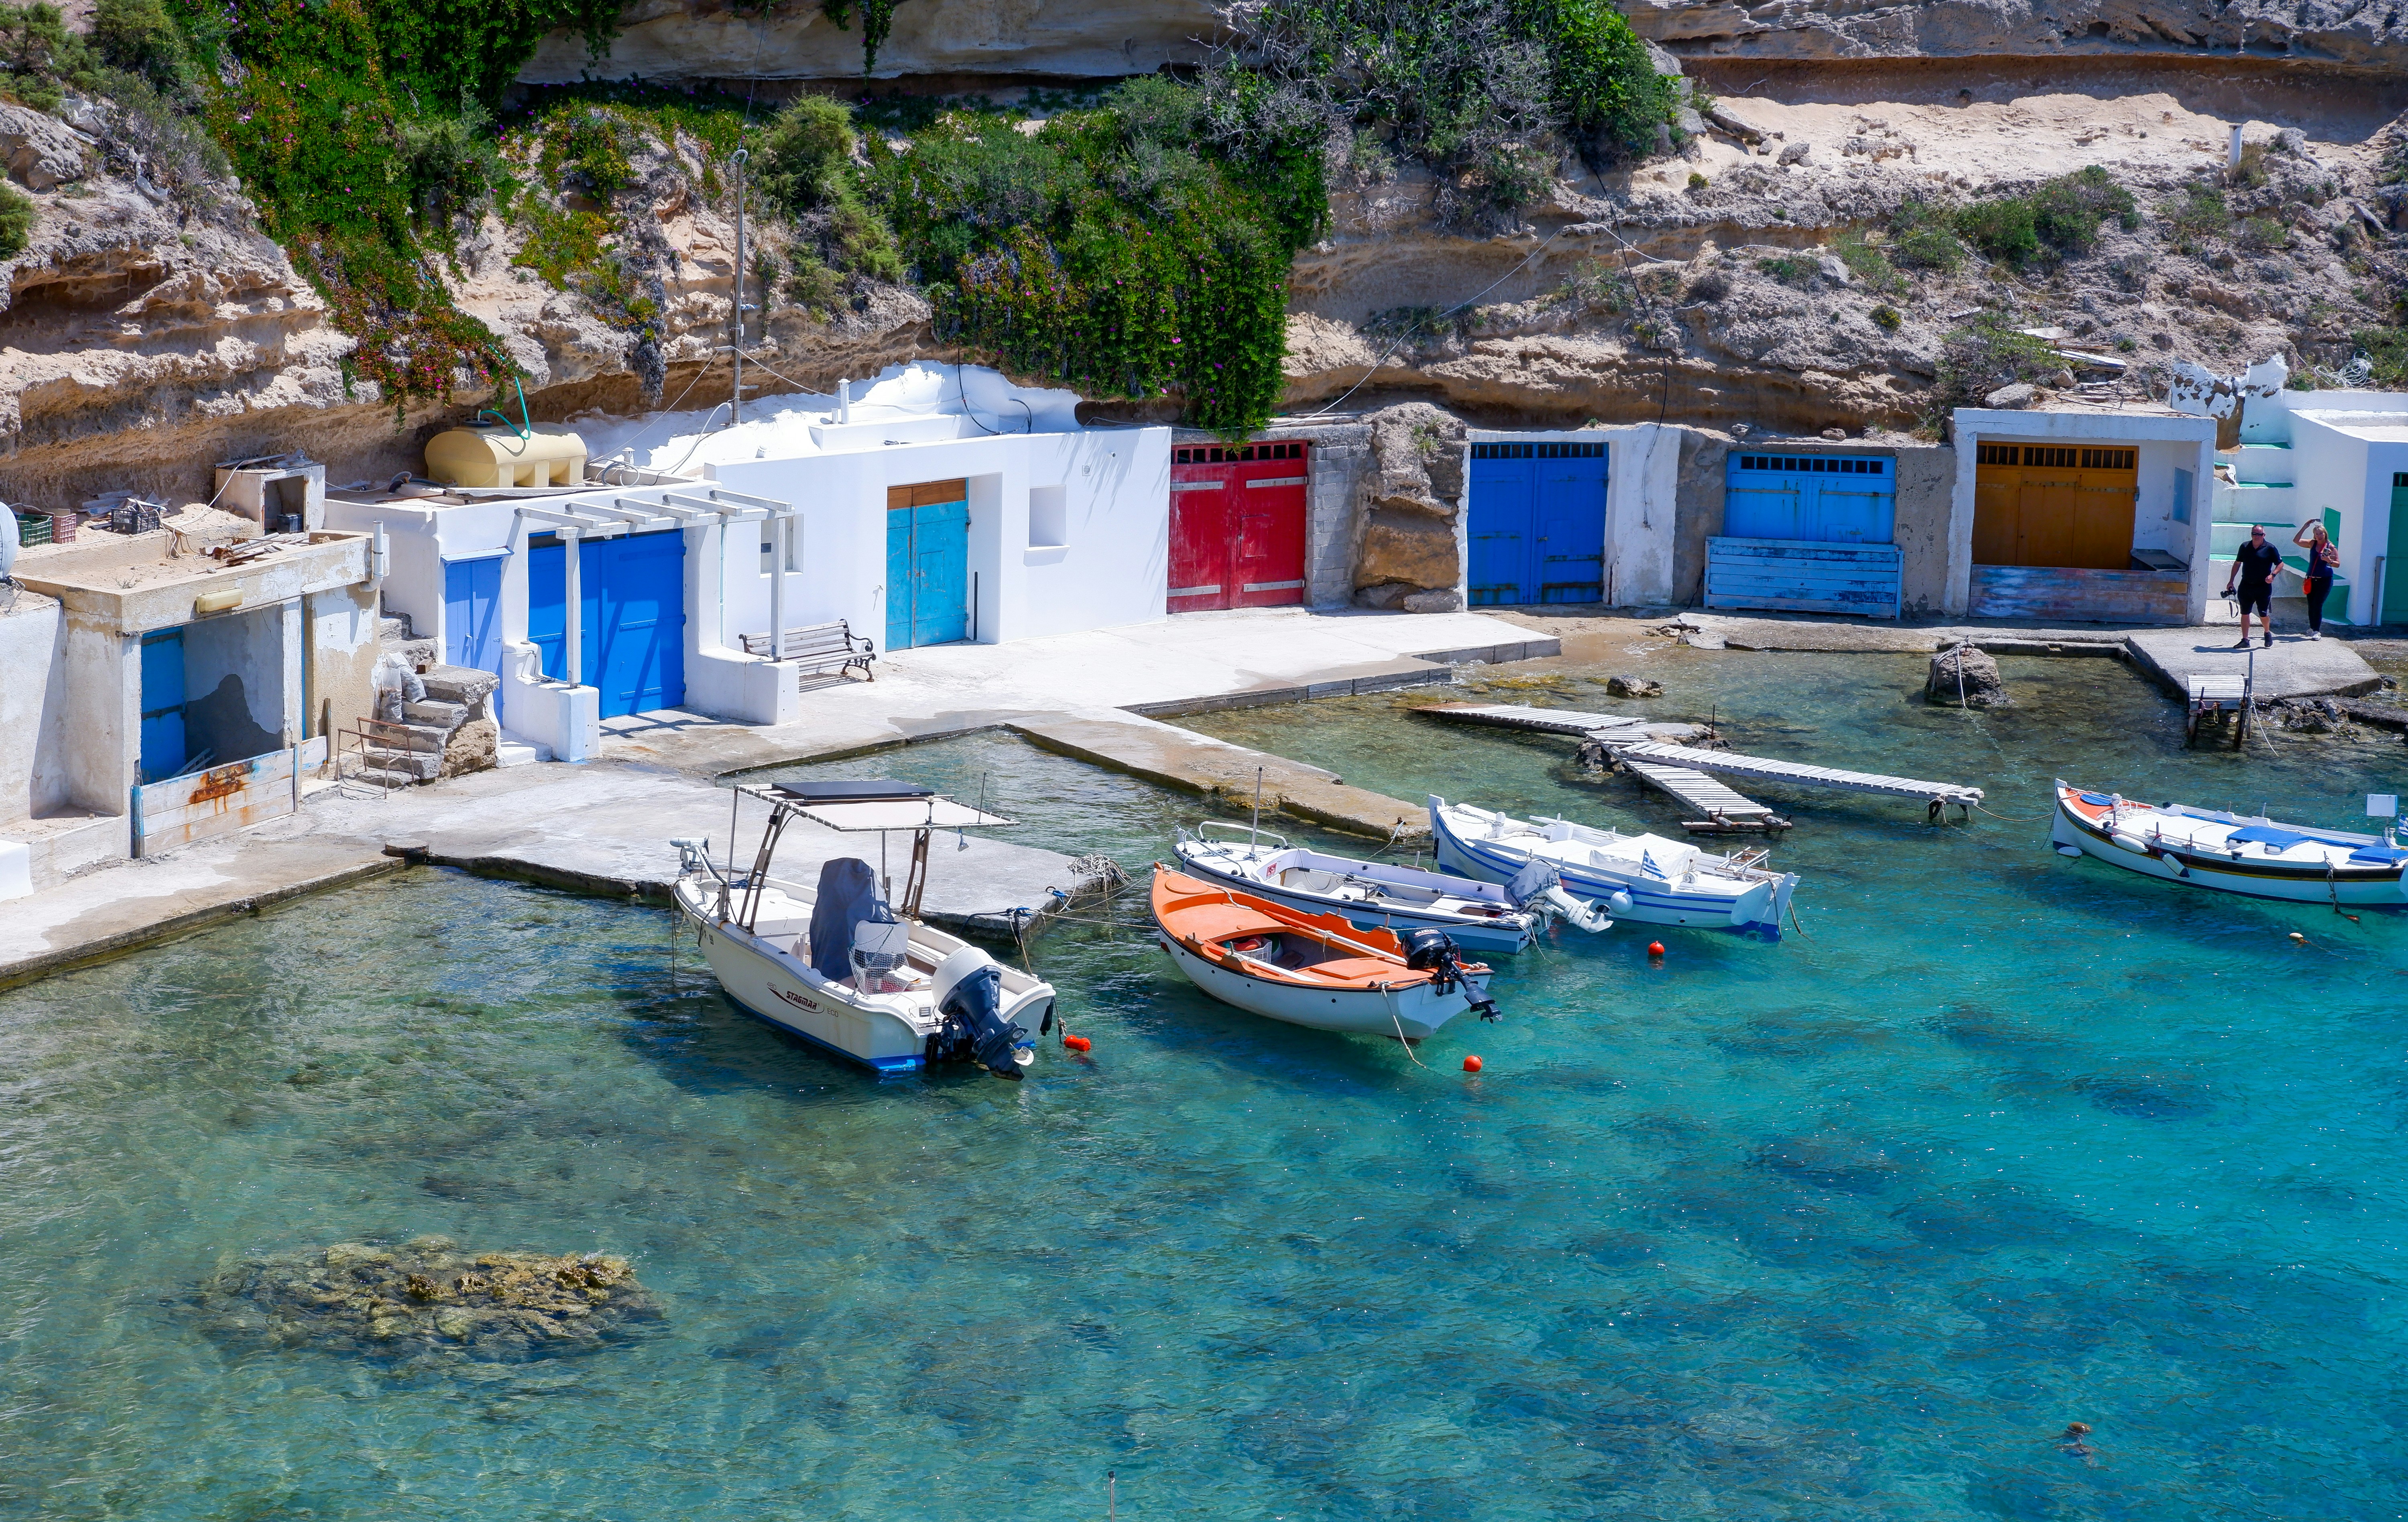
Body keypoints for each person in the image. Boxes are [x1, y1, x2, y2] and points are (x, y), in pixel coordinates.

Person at [2224, 524, 2284, 648]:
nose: (2256, 537)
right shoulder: (2245, 547)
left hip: (2263, 587)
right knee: (2245, 613)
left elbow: (2280, 564)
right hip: (2246, 585)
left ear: (2264, 535)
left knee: (2263, 614)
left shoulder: (2270, 548)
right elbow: (2237, 563)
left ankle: (2267, 633)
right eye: (2254, 534)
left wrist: (2273, 575)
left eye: (2259, 534)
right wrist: (2231, 581)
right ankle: (2245, 639)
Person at [2292, 519, 2341, 640]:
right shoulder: (2312, 544)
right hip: (2311, 579)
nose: (2319, 536)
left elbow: (2337, 564)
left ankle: (2317, 631)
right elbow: (2296, 541)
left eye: (2321, 534)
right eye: (2316, 534)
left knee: (2318, 604)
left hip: (2325, 580)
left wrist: (2328, 560)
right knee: (2311, 605)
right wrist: (2305, 526)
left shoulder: (2331, 547)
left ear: (2325, 534)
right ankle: (2312, 628)